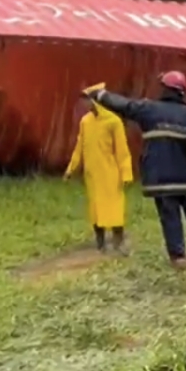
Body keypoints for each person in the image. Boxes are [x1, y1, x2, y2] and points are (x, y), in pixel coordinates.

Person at [86, 71, 186, 268]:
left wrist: (100, 94)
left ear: (164, 89)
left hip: (161, 179)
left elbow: (123, 105)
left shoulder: (148, 109)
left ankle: (179, 258)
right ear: (182, 92)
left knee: (170, 217)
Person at [64, 84, 133, 254]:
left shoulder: (113, 122)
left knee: (113, 207)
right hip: (92, 174)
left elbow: (122, 151)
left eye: (86, 100)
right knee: (95, 209)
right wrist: (71, 168)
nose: (84, 105)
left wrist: (126, 173)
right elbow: (80, 146)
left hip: (110, 173)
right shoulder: (86, 122)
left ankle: (118, 241)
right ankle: (100, 243)